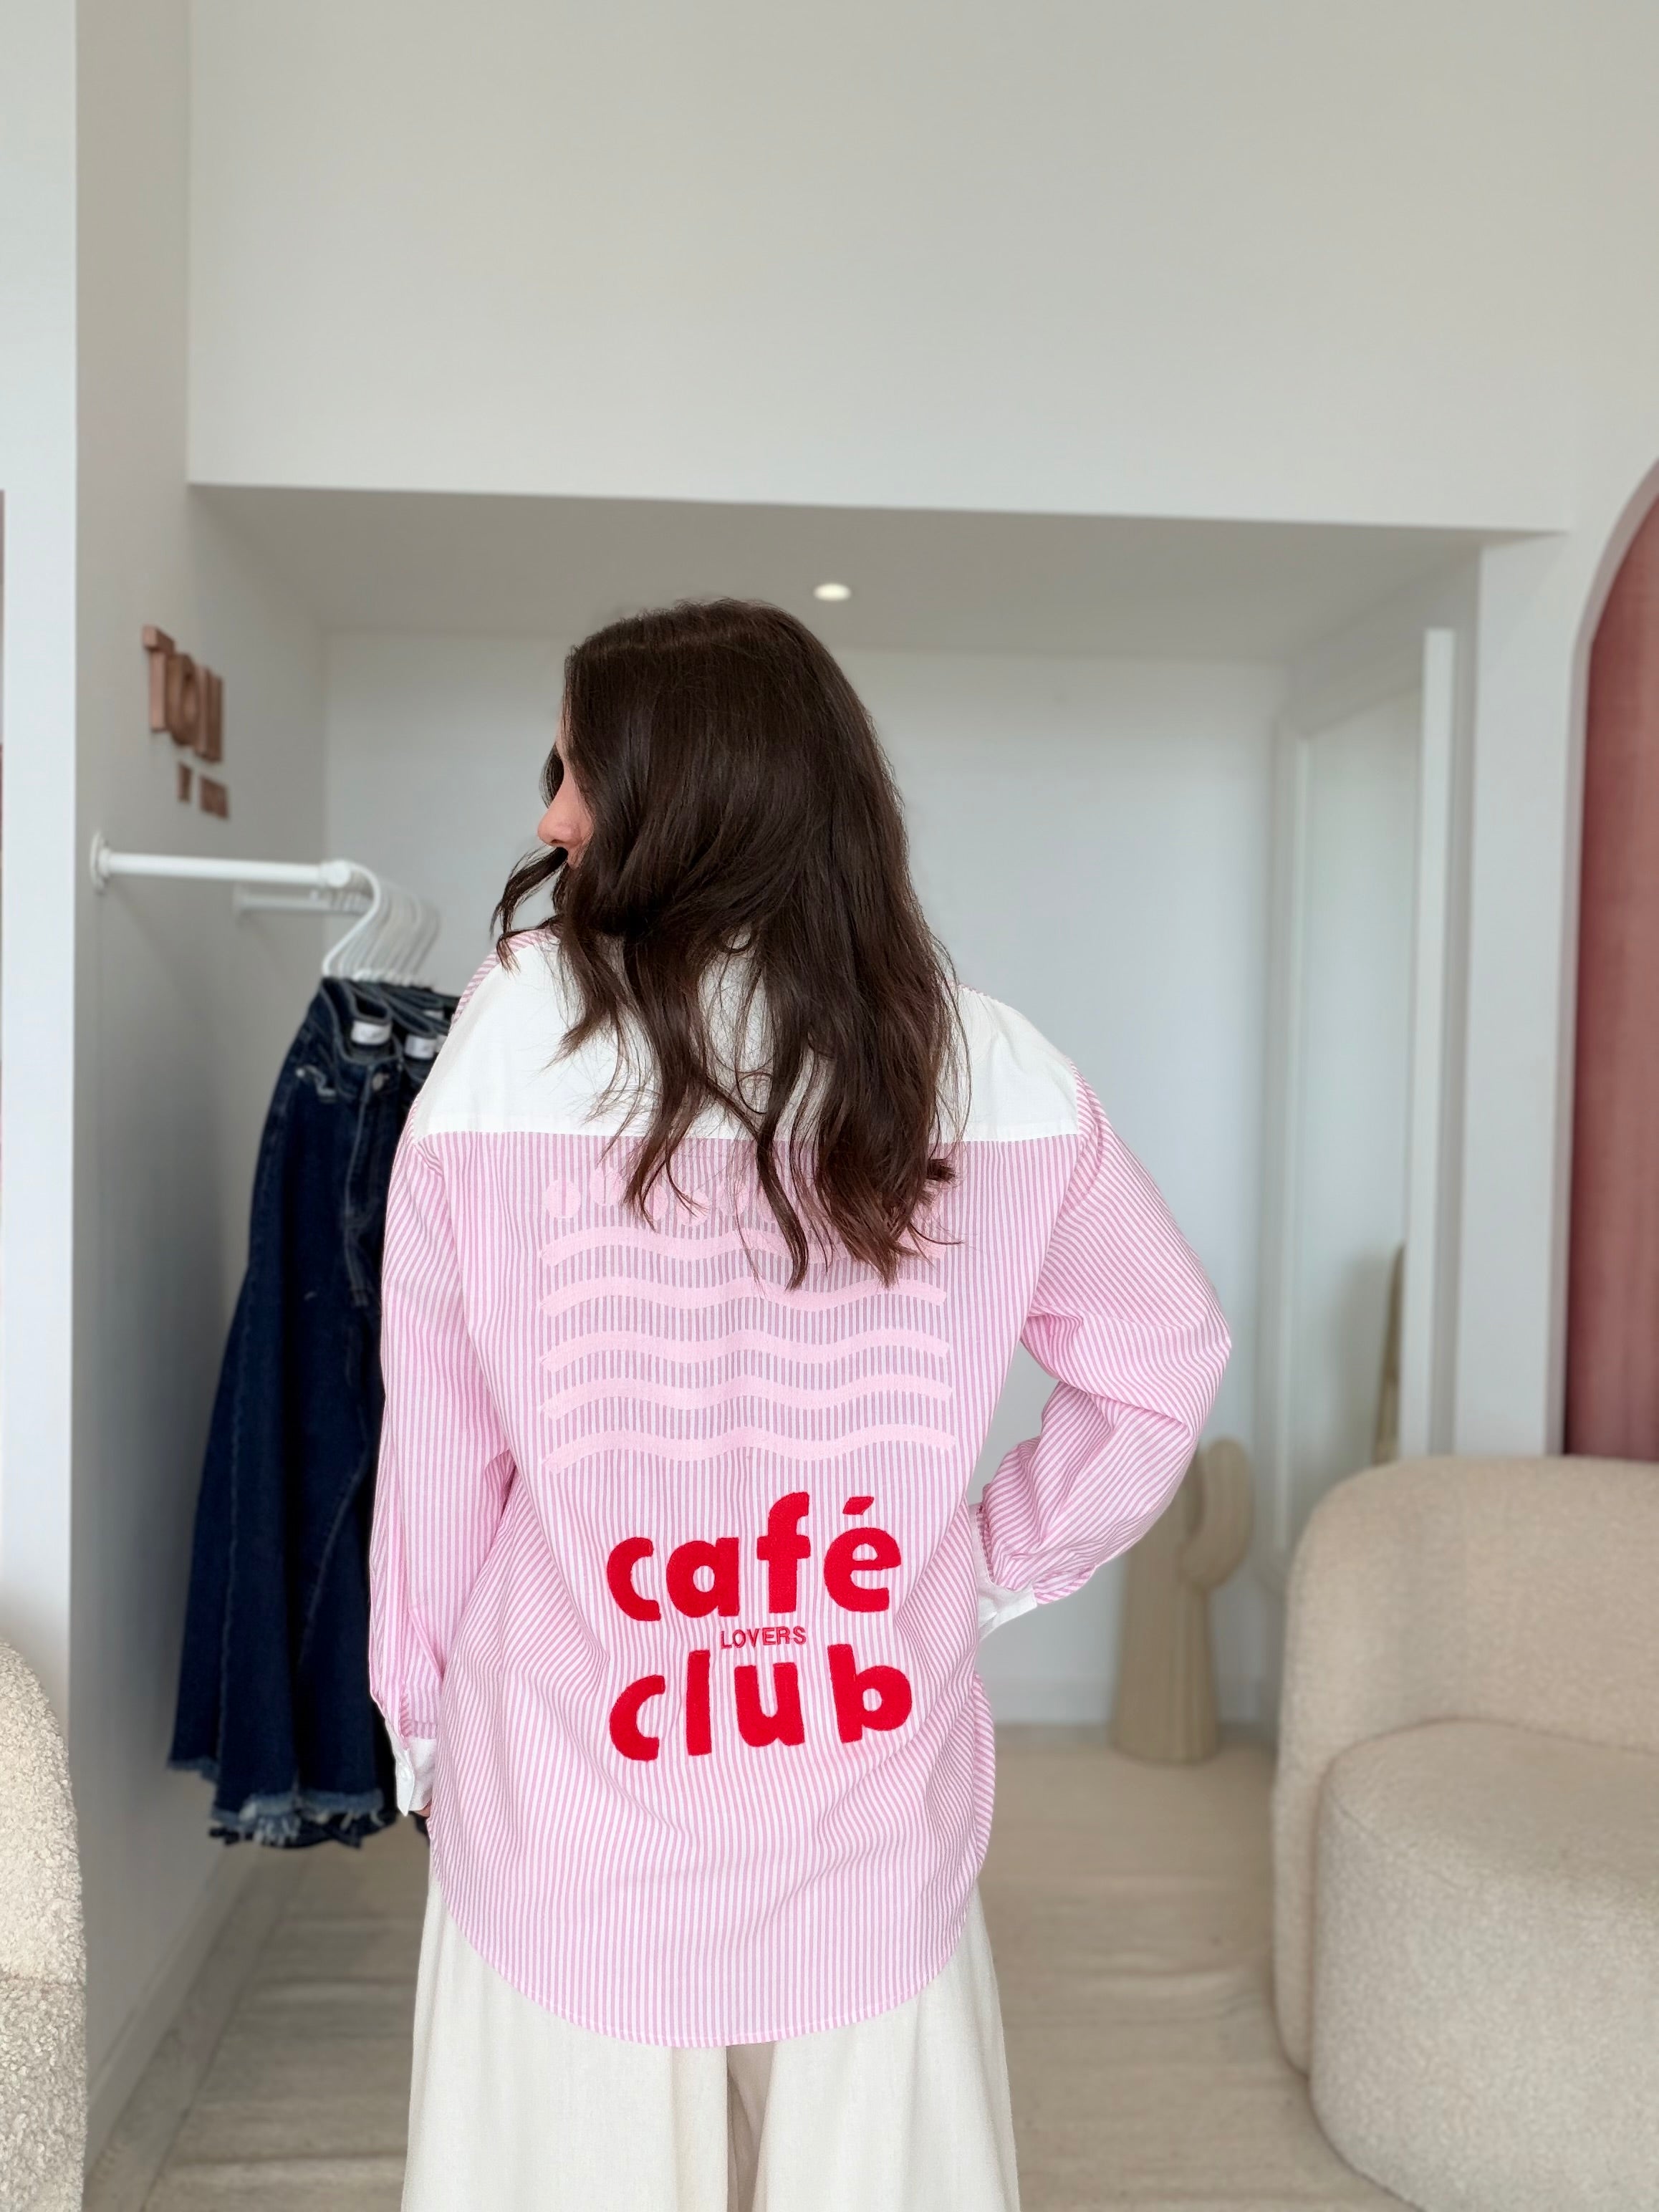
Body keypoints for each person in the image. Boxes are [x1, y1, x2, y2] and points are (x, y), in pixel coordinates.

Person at [369, 598, 1230, 2212]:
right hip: (860, 1778)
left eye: (578, 772)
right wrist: (977, 1567)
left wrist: (419, 1719)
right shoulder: (989, 1067)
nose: (553, 820)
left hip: (571, 1776)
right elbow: (1160, 1352)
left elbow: (441, 1430)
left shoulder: (507, 1048)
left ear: (690, 793)